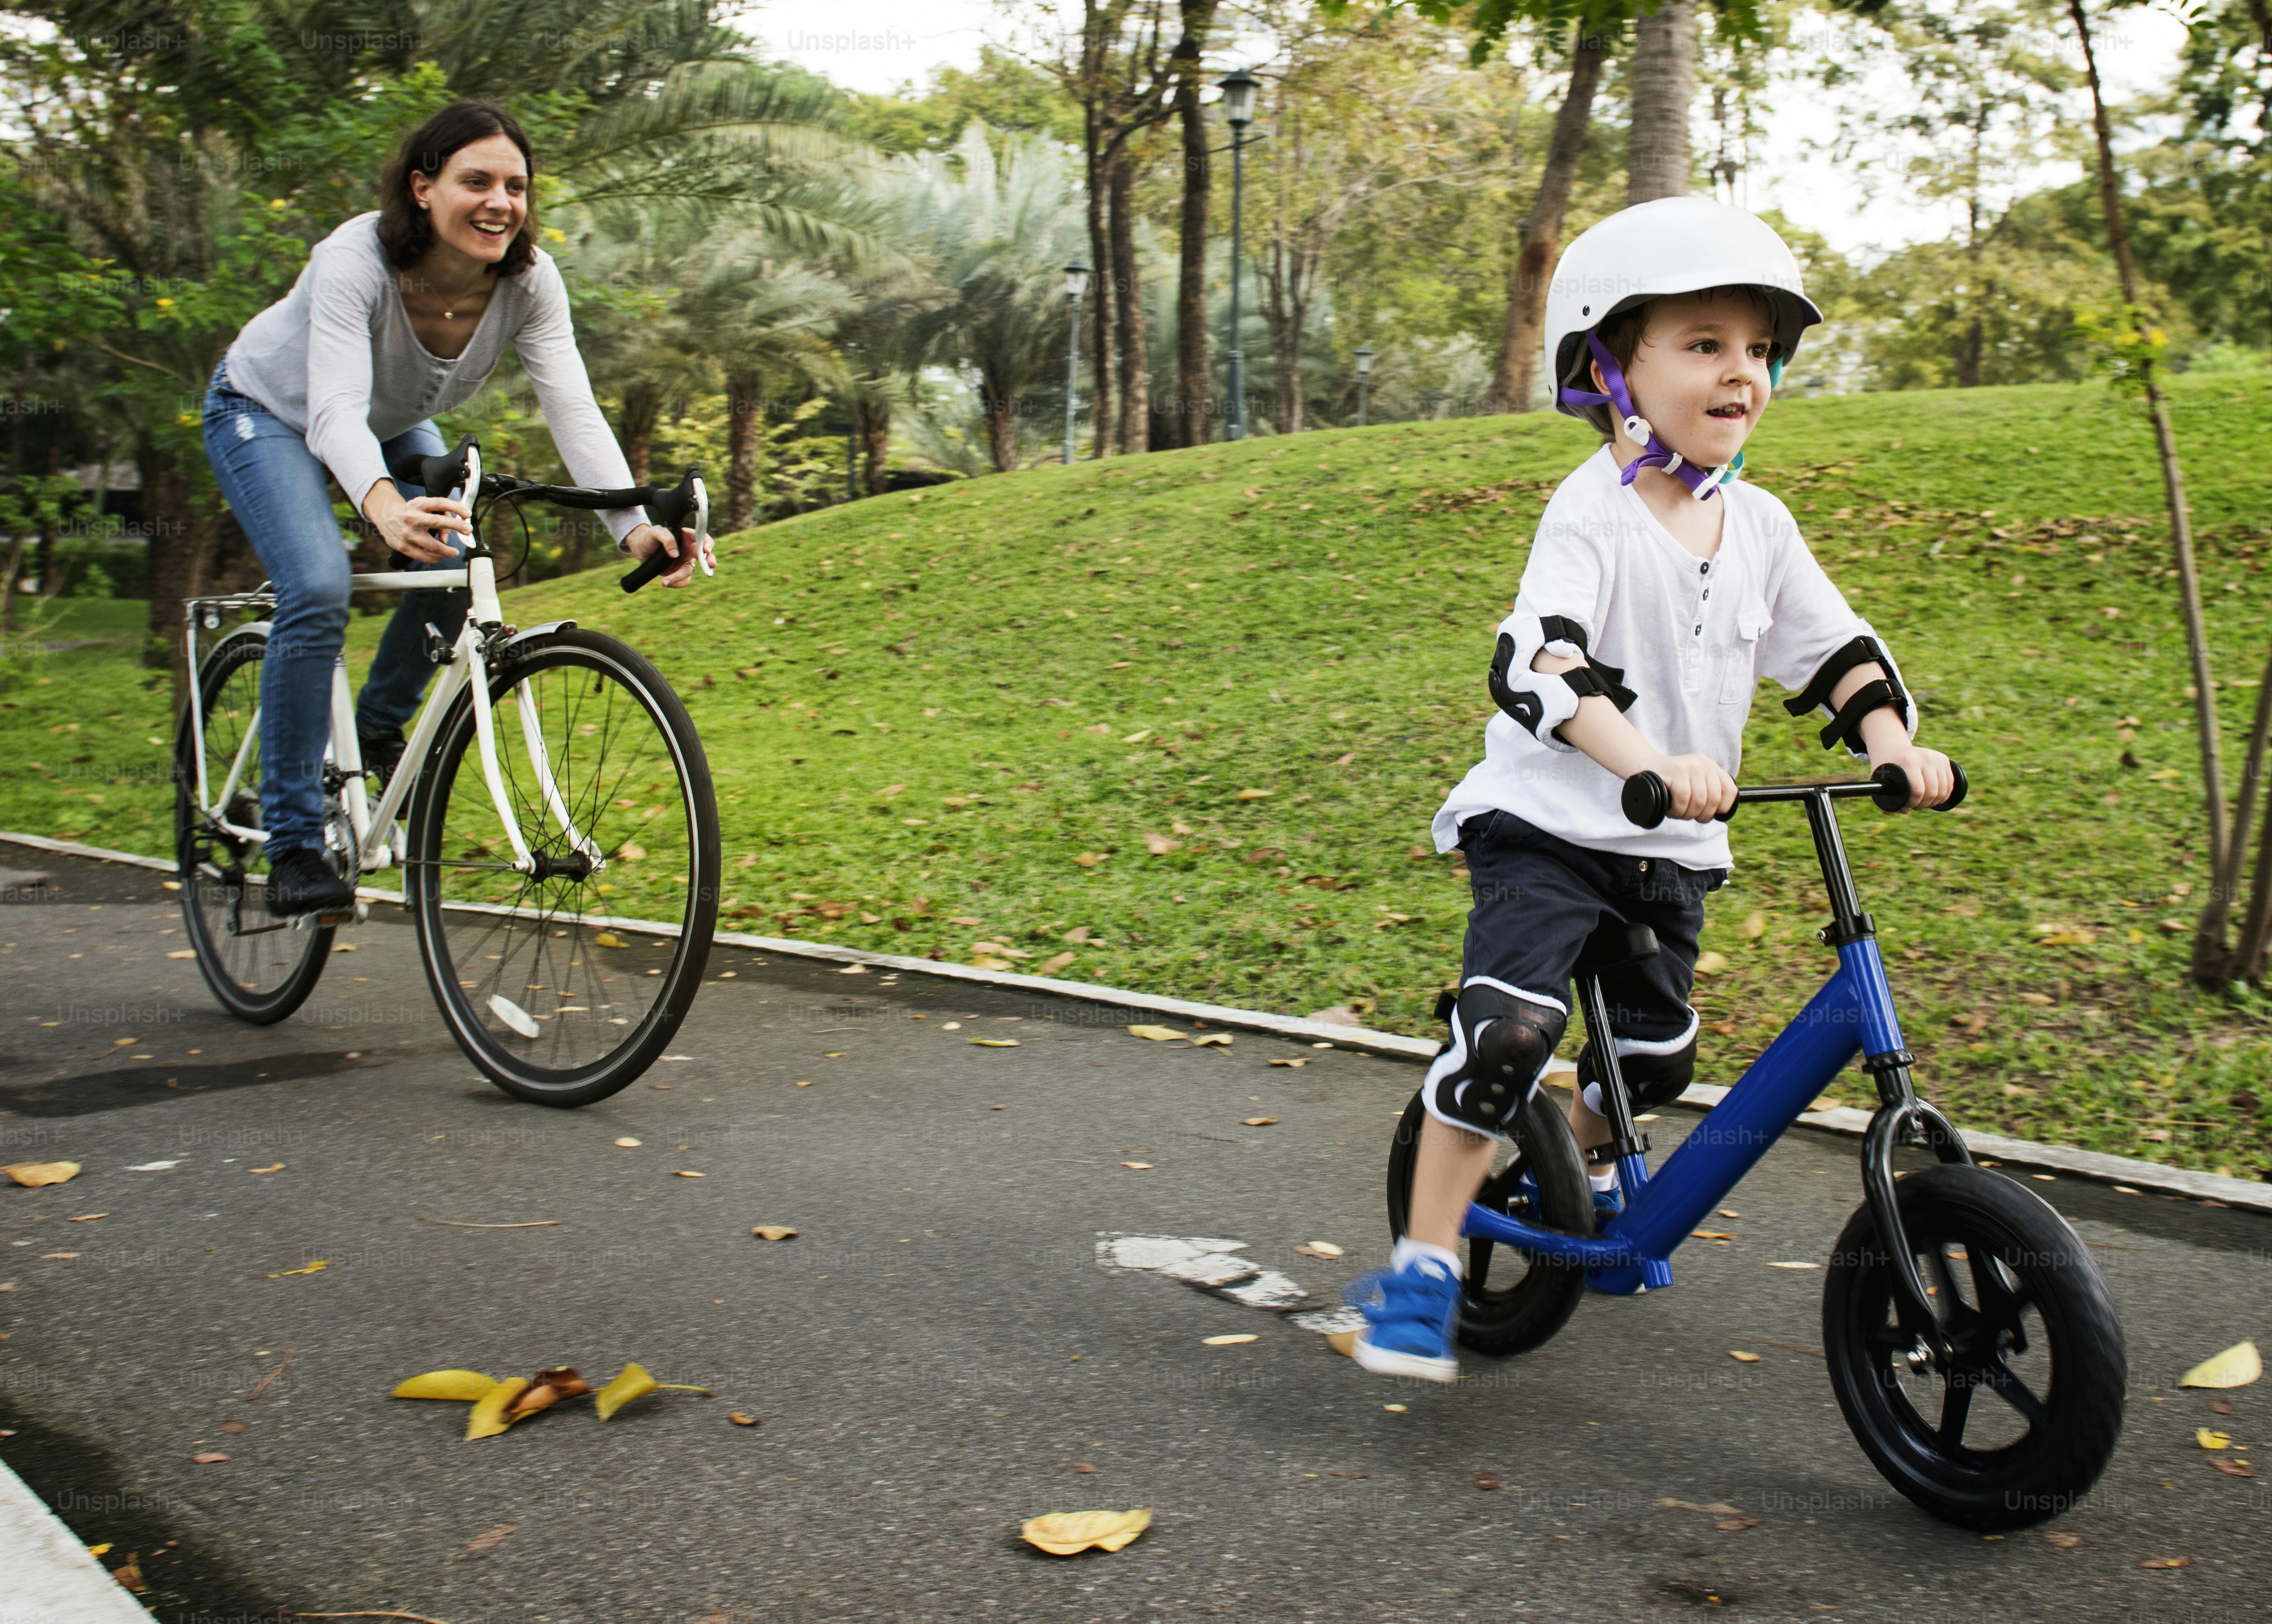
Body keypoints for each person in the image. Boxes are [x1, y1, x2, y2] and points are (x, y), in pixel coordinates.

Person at [1350, 197, 1956, 1382]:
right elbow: (1543, 659)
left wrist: (1890, 744)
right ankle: (1421, 1267)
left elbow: (1832, 649)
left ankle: (1571, 1170)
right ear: (1608, 369)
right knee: (1507, 1039)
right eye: (1703, 344)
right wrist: (1644, 762)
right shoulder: (1592, 512)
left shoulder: (1761, 526)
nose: (1742, 372)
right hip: (1547, 827)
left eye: (1758, 349)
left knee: (1656, 1058)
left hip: (1668, 847)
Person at [201, 99, 710, 916]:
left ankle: (374, 731)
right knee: (320, 585)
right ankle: (293, 844)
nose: (500, 202)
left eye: (516, 186)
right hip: (266, 412)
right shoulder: (355, 259)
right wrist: (381, 506)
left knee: (456, 549)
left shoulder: (529, 282)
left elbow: (573, 410)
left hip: (385, 423)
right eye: (476, 181)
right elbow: (332, 410)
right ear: (423, 188)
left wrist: (634, 528)